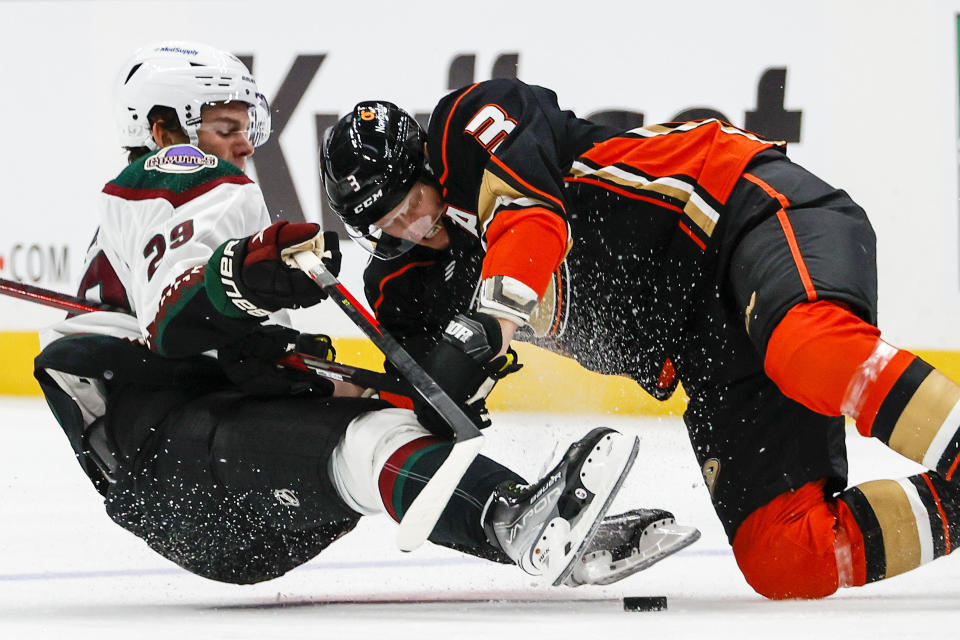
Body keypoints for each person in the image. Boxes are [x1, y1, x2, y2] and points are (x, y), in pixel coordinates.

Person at [32, 42, 693, 588]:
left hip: (213, 487)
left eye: (245, 130)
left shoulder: (203, 197)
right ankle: (516, 521)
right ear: (161, 130)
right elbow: (176, 320)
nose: (241, 148)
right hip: (159, 454)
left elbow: (208, 338)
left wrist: (296, 362)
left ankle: (531, 524)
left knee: (384, 425)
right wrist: (249, 272)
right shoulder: (167, 174)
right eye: (224, 128)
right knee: (365, 439)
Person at [319, 81, 960, 599]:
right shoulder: (403, 283)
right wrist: (371, 396)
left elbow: (531, 219)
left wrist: (489, 324)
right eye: (387, 225)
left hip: (740, 213)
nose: (414, 227)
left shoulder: (472, 120)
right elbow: (418, 395)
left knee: (809, 350)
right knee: (784, 556)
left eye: (411, 200)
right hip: (702, 349)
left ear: (424, 164)